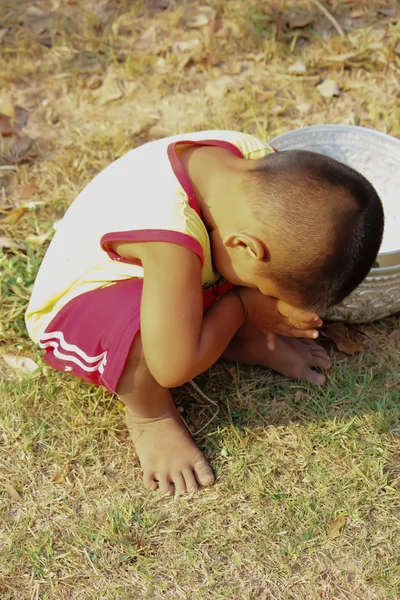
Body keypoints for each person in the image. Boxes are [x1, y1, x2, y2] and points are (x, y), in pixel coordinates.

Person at [25, 130, 384, 495]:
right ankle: (151, 415)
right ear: (243, 245)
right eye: (266, 291)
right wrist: (244, 305)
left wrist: (264, 296)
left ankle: (235, 338)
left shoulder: (254, 168)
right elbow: (171, 366)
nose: (265, 297)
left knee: (258, 263)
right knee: (146, 342)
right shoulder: (171, 236)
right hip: (87, 301)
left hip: (177, 270)